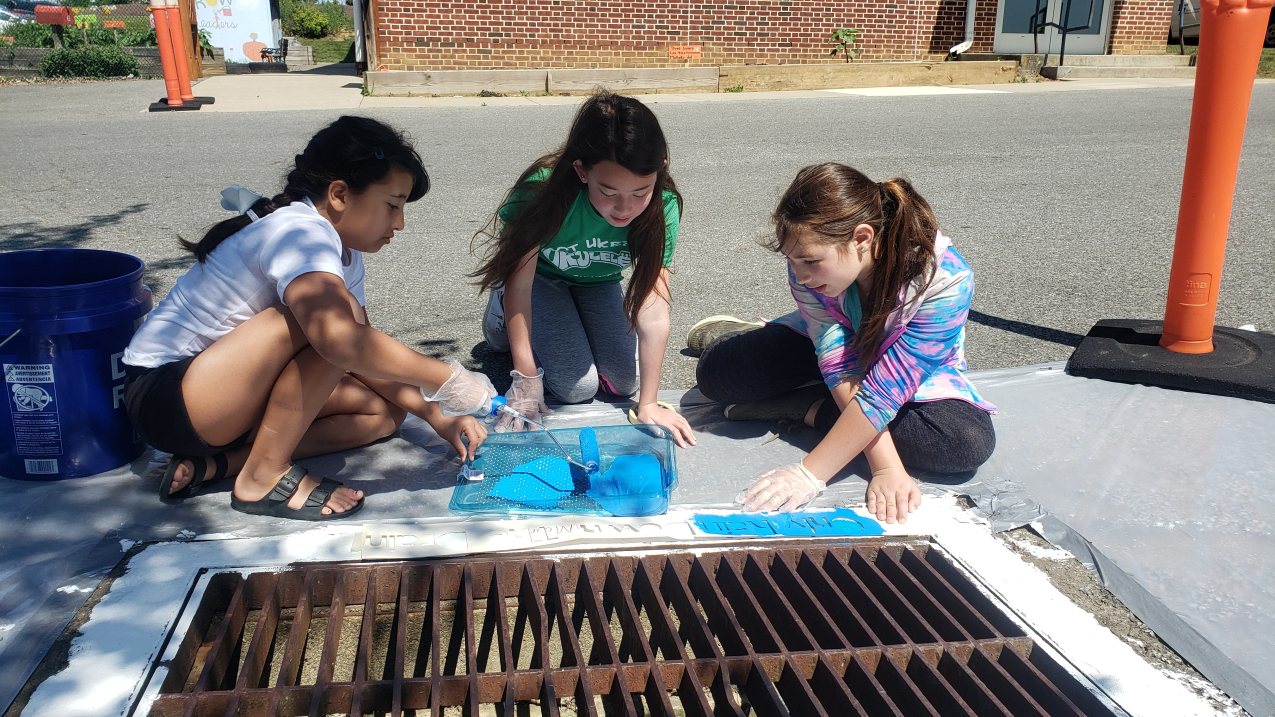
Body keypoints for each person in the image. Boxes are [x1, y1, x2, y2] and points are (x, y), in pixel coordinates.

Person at [122, 116, 496, 521]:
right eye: (392, 205)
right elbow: (339, 340)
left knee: (383, 413)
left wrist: (438, 415)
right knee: (332, 324)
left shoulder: (341, 249)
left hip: (222, 401)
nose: (399, 224)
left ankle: (221, 466)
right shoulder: (301, 232)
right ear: (338, 193)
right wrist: (445, 378)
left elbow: (364, 354)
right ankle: (263, 476)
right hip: (168, 397)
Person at [689, 163, 996, 524]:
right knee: (717, 375)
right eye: (792, 261)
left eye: (810, 262)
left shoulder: (944, 280)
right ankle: (744, 334)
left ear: (862, 239)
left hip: (906, 374)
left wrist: (811, 473)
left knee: (962, 444)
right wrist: (886, 466)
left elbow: (886, 390)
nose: (800, 275)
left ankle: (806, 405)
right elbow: (838, 362)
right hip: (830, 352)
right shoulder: (809, 265)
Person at [471, 91, 695, 448]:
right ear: (581, 171)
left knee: (625, 383)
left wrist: (649, 403)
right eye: (609, 191)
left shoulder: (664, 204)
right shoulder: (540, 192)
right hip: (540, 279)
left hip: (598, 279)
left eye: (641, 191)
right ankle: (499, 311)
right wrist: (526, 377)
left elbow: (654, 307)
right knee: (577, 389)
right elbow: (522, 283)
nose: (625, 208)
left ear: (660, 169)